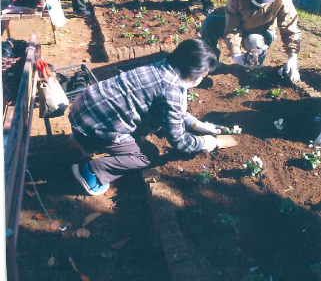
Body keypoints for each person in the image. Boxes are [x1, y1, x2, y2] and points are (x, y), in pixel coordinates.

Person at [69, 39, 227, 196]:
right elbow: (180, 141)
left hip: (82, 109)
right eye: (204, 73)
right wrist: (206, 142)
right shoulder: (172, 88)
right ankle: (92, 173)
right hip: (92, 127)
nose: (204, 76)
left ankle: (86, 143)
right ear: (195, 71)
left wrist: (197, 125)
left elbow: (173, 111)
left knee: (137, 125)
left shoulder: (162, 65)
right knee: (148, 155)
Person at [201, 0, 301, 83]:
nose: (263, 2)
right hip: (240, 25)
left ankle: (255, 67)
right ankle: (209, 63)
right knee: (210, 22)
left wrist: (293, 58)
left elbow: (290, 29)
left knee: (254, 42)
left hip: (262, 32)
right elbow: (232, 26)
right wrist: (236, 53)